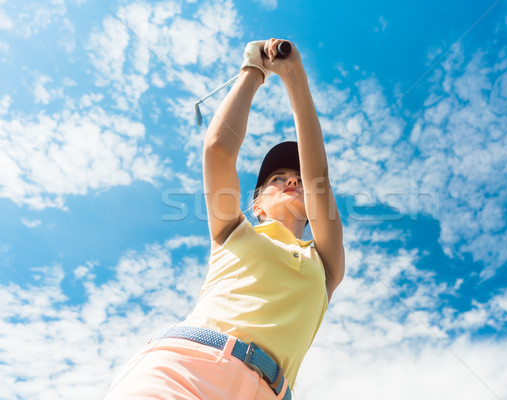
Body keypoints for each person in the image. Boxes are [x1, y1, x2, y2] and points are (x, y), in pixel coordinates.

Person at [103, 39, 345, 400]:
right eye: (277, 179)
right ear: (256, 205)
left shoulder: (325, 265)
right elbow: (218, 148)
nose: (292, 180)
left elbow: (317, 176)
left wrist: (295, 76)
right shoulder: (234, 232)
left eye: (296, 178)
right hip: (185, 371)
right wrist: (254, 69)